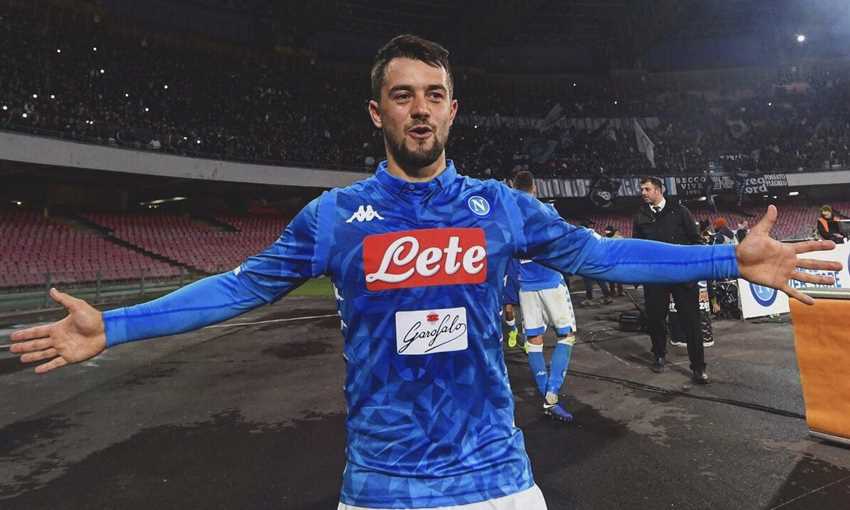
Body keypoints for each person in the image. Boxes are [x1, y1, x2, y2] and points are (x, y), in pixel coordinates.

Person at [9, 35, 841, 510]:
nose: (419, 108)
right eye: (403, 95)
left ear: (452, 110)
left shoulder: (500, 208)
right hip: (381, 486)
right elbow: (239, 287)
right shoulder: (334, 217)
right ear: (379, 112)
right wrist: (115, 325)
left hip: (497, 481)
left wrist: (723, 256)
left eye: (434, 94)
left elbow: (601, 254)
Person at [507, 170, 577, 423]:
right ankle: (551, 395)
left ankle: (547, 397)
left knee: (534, 339)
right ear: (534, 188)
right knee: (566, 335)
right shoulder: (546, 210)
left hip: (526, 285)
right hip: (549, 280)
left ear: (512, 187)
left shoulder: (508, 215)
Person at [632, 177, 710, 383]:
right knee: (655, 319)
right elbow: (638, 248)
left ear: (659, 190)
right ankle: (659, 355)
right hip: (655, 277)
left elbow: (695, 241)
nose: (643, 192)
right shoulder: (640, 216)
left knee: (691, 321)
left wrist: (694, 269)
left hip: (683, 276)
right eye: (642, 189)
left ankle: (698, 367)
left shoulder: (680, 211)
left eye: (647, 189)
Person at [603, 225, 625, 296]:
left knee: (618, 276)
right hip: (610, 260)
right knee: (612, 276)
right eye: (606, 231)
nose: (607, 233)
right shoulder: (605, 239)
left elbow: (623, 248)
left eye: (608, 231)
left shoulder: (619, 238)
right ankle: (614, 291)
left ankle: (619, 291)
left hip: (617, 260)